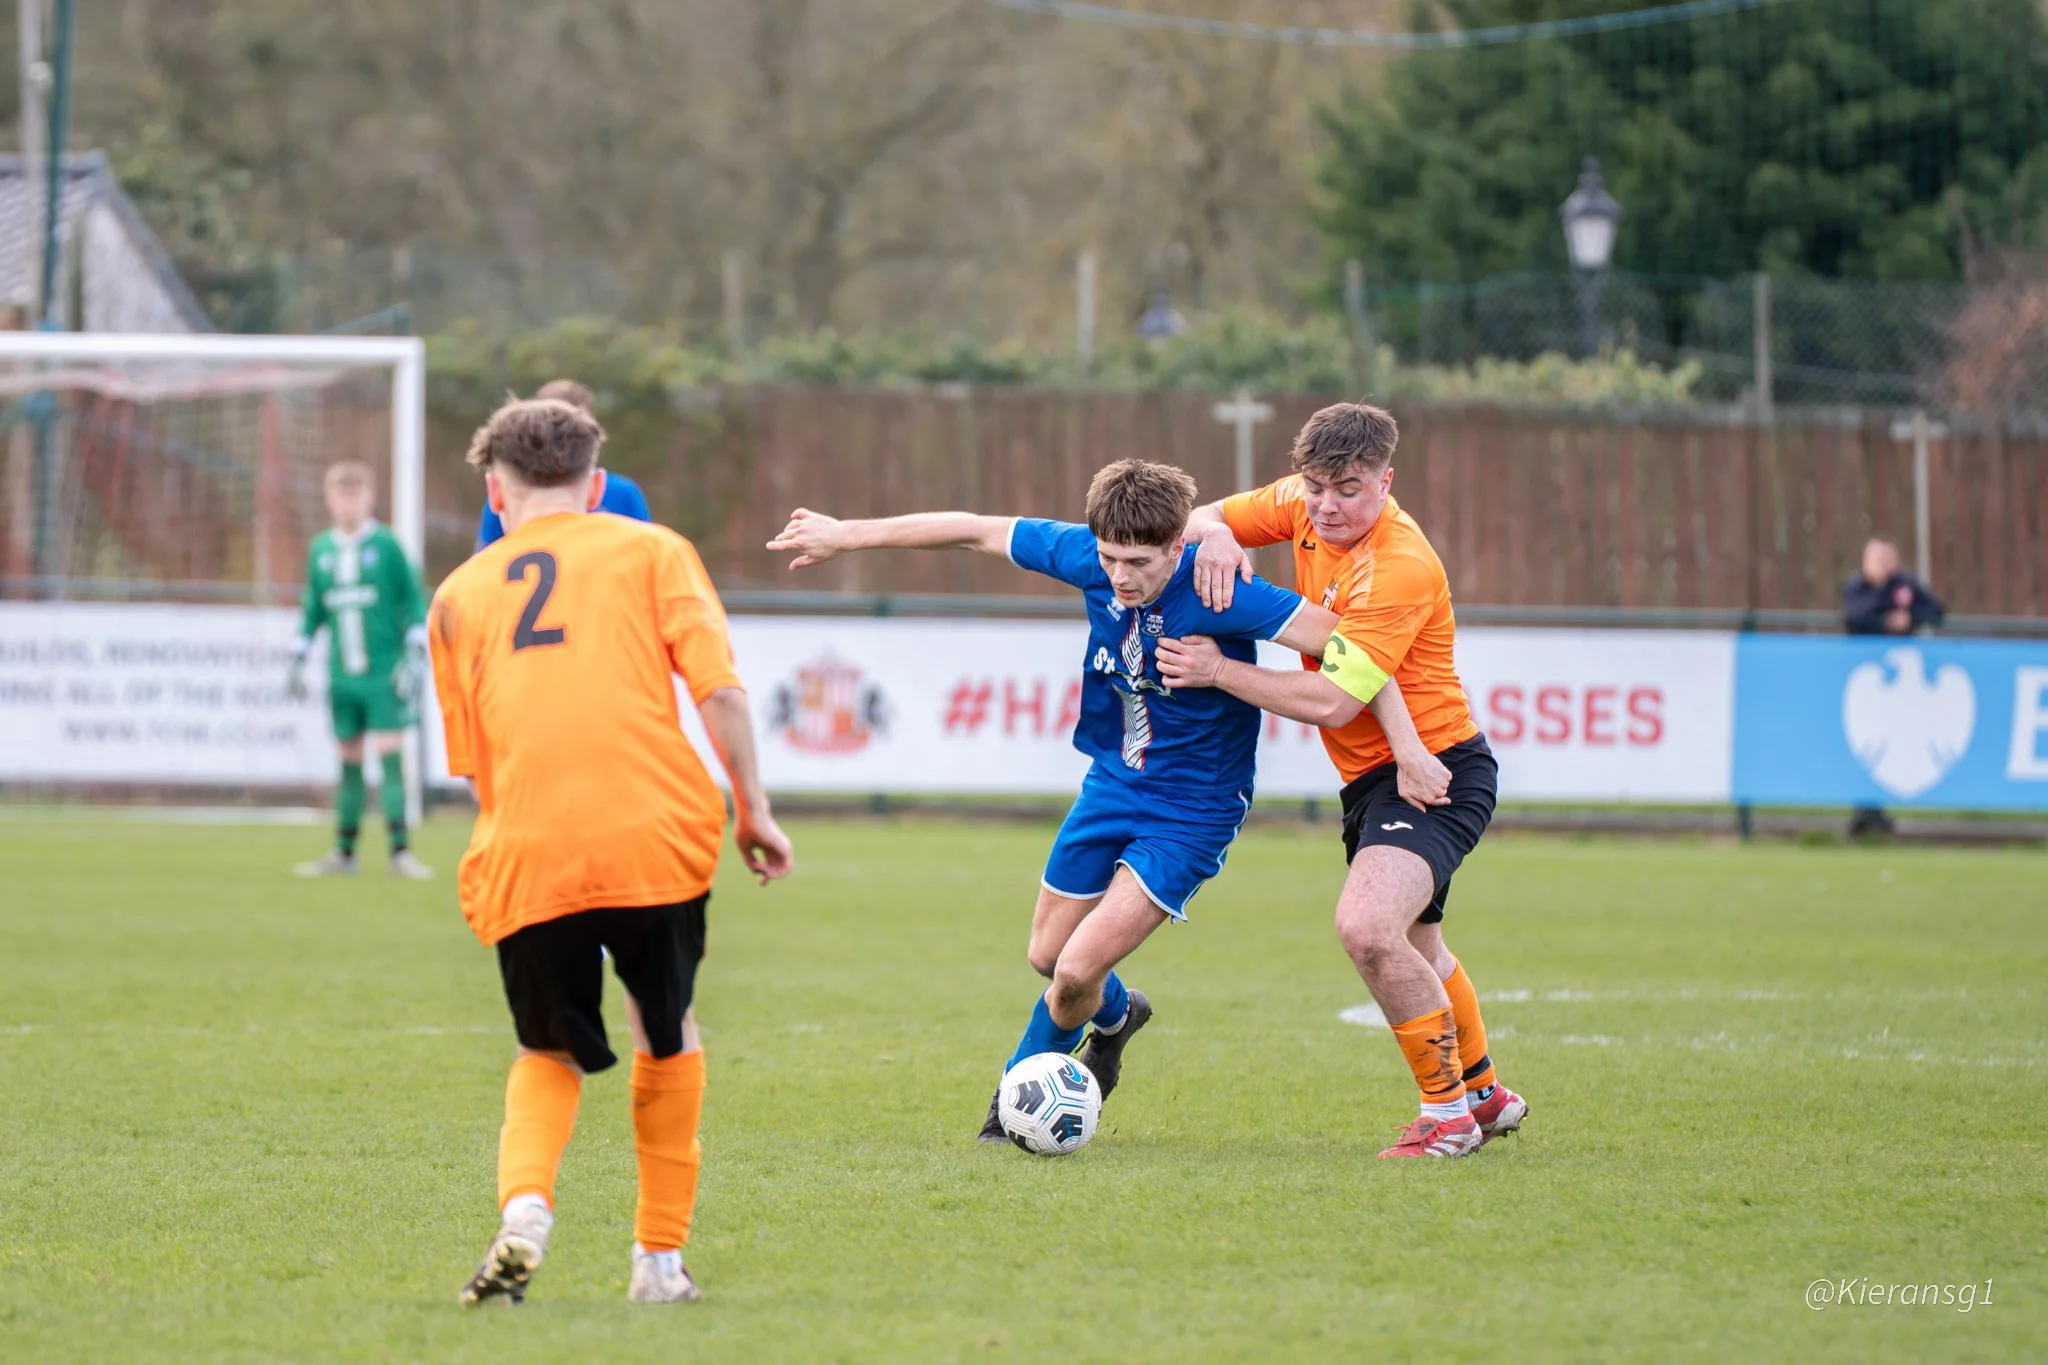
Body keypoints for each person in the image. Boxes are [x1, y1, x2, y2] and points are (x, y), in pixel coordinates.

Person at [766, 461, 1341, 1142]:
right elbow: (974, 529)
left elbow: (1345, 648)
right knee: (1049, 955)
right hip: (1112, 782)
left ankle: (1008, 1105)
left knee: (1075, 969)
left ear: (1176, 545)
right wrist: (844, 535)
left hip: (1193, 809)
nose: (1120, 576)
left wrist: (1225, 671)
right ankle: (1118, 1017)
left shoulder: (1222, 590)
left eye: (1139, 562)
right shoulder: (1087, 558)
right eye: (1110, 558)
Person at [430, 397, 793, 1306]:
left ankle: (525, 1208)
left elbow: (476, 766)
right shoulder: (653, 549)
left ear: (495, 491)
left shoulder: (457, 596)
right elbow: (720, 692)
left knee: (543, 1049)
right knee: (666, 1035)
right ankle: (658, 1262)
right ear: (595, 485)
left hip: (528, 849)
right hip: (653, 837)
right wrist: (753, 811)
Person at [1157, 402, 1527, 1159]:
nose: (1327, 506)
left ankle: (1448, 1117)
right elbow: (1193, 517)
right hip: (1373, 779)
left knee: (1367, 928)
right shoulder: (1301, 501)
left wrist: (1218, 671)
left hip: (1433, 771)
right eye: (1317, 487)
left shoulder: (1399, 566)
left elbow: (1334, 701)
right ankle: (1486, 1095)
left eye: (1349, 490)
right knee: (1422, 948)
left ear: (1385, 482)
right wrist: (1218, 531)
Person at [288, 461, 433, 879]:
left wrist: (415, 649)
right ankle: (344, 853)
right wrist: (298, 655)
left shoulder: (386, 545)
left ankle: (400, 853)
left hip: (383, 673)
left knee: (390, 757)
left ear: (369, 498)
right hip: (342, 675)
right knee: (348, 761)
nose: (348, 503)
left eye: (355, 494)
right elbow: (313, 608)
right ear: (329, 499)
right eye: (341, 494)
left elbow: (412, 599)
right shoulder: (322, 550)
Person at [1843, 535, 1946, 836]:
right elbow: (1855, 617)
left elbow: (1937, 611)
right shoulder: (1856, 587)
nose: (1885, 565)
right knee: (1868, 742)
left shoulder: (1906, 585)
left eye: (1888, 558)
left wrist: (1909, 618)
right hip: (1864, 681)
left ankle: (1875, 813)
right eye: (1878, 559)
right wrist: (1886, 616)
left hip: (1902, 689)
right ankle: (1865, 812)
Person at [473, 379, 653, 550]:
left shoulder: (623, 493)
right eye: (551, 427)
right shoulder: (509, 496)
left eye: (574, 431)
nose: (561, 439)